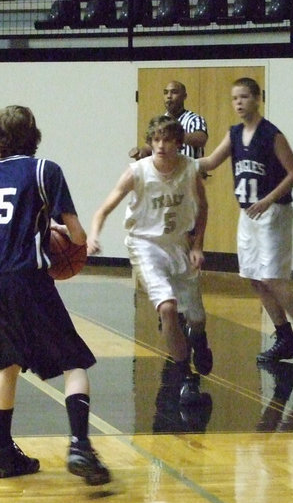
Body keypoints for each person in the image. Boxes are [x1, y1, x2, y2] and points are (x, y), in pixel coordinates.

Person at [0, 105, 110, 485]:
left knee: (8, 363)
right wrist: (62, 236)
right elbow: (77, 235)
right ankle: (80, 445)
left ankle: (2, 452)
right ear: (34, 135)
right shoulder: (45, 170)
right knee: (74, 362)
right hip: (27, 279)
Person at [197, 77, 293, 368]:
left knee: (272, 278)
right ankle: (285, 337)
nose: (239, 103)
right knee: (254, 278)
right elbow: (210, 162)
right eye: (235, 98)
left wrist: (268, 200)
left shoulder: (271, 135)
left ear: (257, 99)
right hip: (248, 214)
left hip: (273, 212)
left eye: (244, 97)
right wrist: (175, 160)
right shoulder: (234, 134)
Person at [89, 115, 213, 406]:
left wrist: (197, 246)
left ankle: (199, 338)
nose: (160, 146)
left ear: (178, 143)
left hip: (178, 244)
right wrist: (94, 235)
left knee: (196, 318)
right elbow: (103, 209)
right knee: (167, 308)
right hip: (145, 245)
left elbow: (204, 207)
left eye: (167, 140)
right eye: (156, 140)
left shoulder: (189, 169)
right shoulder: (137, 172)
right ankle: (185, 375)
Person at [130, 80, 209, 161]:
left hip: (190, 168)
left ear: (184, 96)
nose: (169, 96)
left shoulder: (194, 119)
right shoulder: (159, 122)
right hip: (164, 168)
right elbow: (148, 148)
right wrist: (141, 152)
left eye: (174, 92)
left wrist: (173, 135)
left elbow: (201, 139)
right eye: (166, 93)